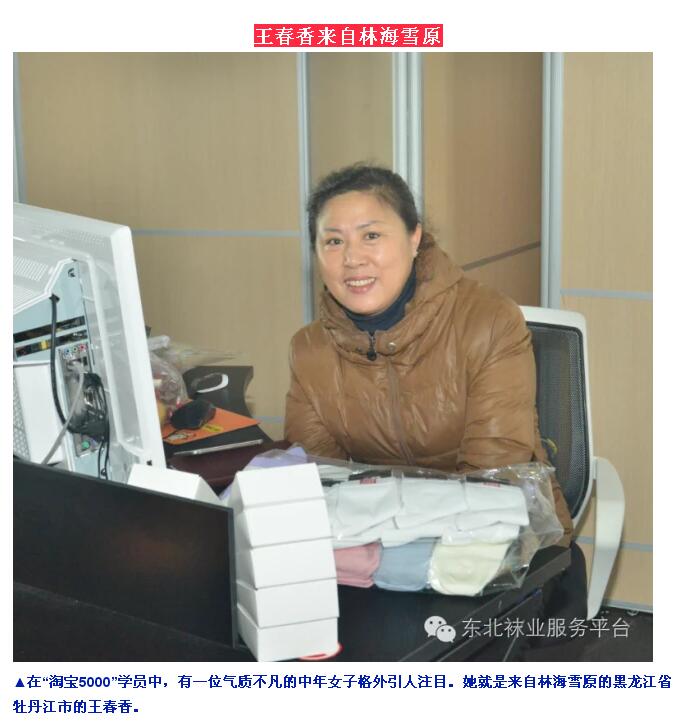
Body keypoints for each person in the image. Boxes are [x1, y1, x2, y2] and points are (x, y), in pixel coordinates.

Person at [284, 164, 585, 648]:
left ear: (414, 237)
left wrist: (384, 534)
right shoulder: (309, 349)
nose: (352, 259)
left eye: (371, 235)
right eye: (333, 241)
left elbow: (491, 483)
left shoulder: (489, 322)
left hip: (501, 552)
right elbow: (321, 481)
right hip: (374, 562)